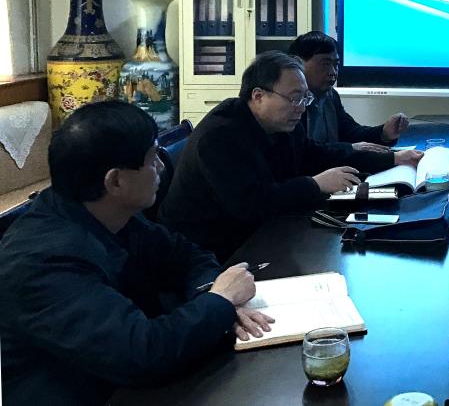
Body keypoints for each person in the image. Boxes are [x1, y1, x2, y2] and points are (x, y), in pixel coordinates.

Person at [0, 101, 272, 406]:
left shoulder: (108, 212)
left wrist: (214, 295)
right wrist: (219, 301)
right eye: (153, 158)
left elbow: (187, 255)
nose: (161, 167)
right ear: (115, 180)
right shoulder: (43, 261)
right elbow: (142, 353)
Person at [159, 50, 396, 260]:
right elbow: (252, 204)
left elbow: (315, 154)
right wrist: (315, 184)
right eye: (294, 98)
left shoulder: (281, 123)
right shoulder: (220, 135)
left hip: (259, 231)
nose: (301, 107)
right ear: (258, 96)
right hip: (207, 251)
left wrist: (393, 159)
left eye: (305, 98)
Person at [288, 31, 421, 168]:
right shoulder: (291, 103)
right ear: (298, 64)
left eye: (336, 65)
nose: (333, 72)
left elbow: (350, 132)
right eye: (325, 64)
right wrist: (350, 148)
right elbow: (308, 153)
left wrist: (384, 133)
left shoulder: (330, 95)